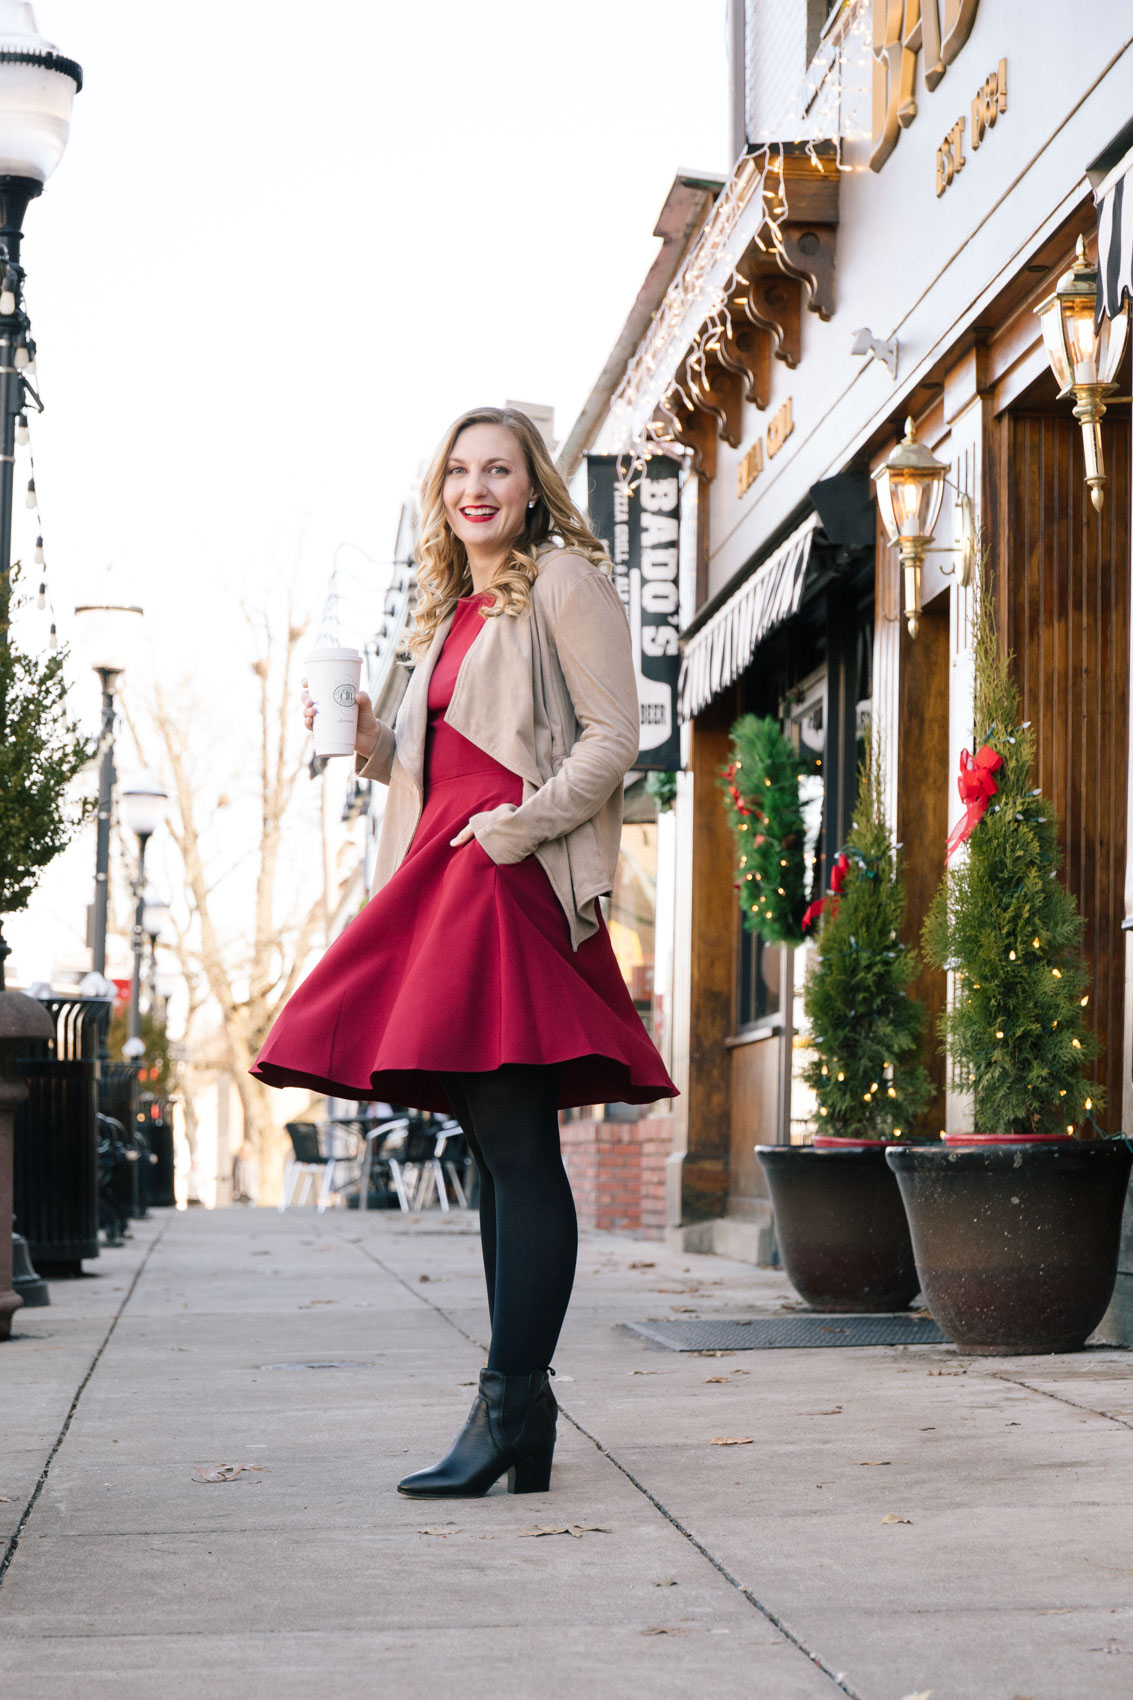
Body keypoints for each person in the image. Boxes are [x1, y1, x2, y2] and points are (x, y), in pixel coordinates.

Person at [251, 405, 677, 1497]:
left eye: (498, 468)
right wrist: (364, 733)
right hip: (445, 869)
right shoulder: (447, 610)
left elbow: (613, 738)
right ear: (439, 490)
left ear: (533, 484)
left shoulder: (565, 583)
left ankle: (505, 1403)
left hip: (507, 877)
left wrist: (519, 827)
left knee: (517, 1147)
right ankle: (517, 1415)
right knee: (496, 1147)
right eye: (458, 470)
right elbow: (425, 763)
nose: (475, 486)